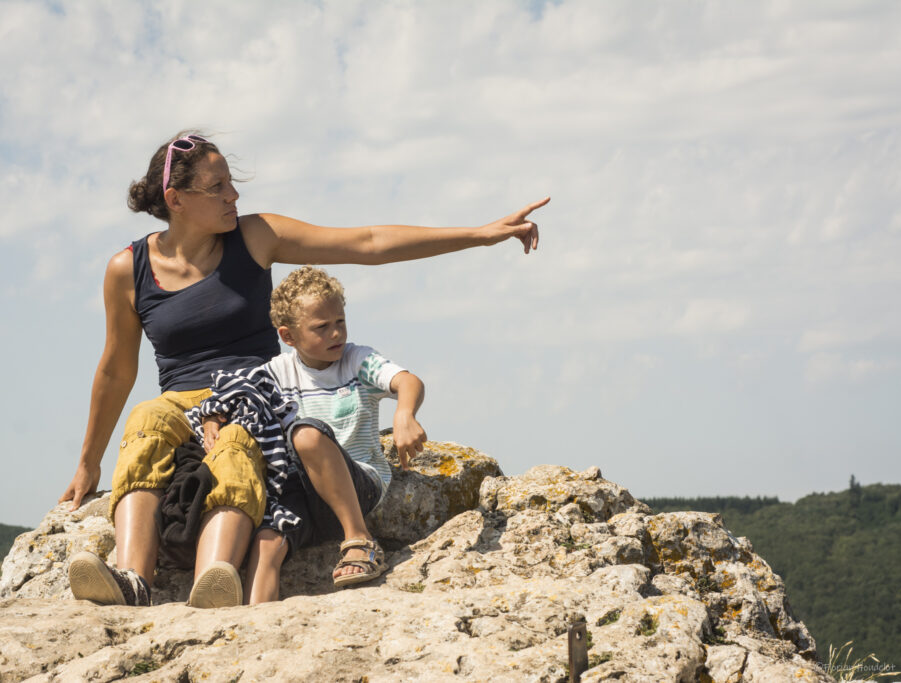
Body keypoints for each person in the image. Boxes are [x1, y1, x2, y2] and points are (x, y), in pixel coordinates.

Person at [60, 131, 548, 609]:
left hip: (259, 394)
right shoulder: (128, 267)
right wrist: (88, 461)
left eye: (232, 182)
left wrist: (482, 235)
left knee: (237, 443)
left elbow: (368, 242)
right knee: (146, 418)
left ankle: (216, 584)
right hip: (181, 404)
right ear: (176, 199)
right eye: (217, 188)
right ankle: (133, 581)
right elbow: (116, 370)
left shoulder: (253, 236)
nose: (233, 195)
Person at [196, 266, 425, 603]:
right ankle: (254, 624)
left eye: (340, 322)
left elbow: (407, 381)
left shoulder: (356, 360)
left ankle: (360, 540)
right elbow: (236, 393)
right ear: (288, 337)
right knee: (266, 543)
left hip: (357, 484)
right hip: (301, 494)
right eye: (322, 327)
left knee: (306, 435)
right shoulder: (278, 371)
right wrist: (212, 420)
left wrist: (404, 413)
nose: (336, 334)